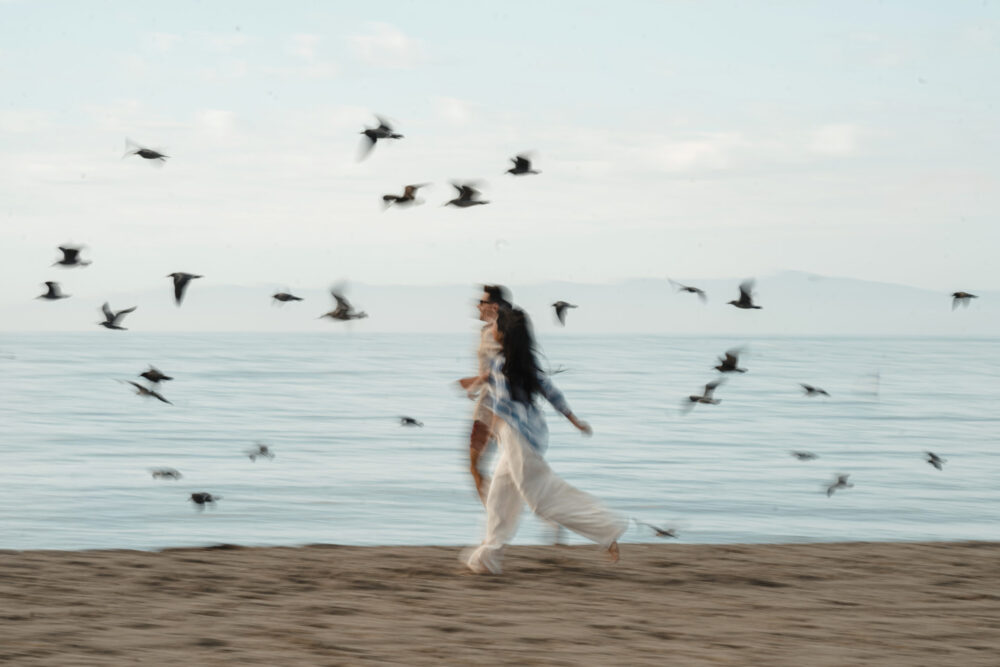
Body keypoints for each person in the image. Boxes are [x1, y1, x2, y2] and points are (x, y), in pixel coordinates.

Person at [463, 307, 627, 574]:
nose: (490, 328)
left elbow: (514, 399)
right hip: (522, 437)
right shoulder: (516, 363)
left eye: (494, 325)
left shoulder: (506, 364)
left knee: (540, 499)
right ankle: (487, 559)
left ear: (502, 333)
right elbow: (548, 392)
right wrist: (574, 420)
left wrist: (491, 427)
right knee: (499, 498)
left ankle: (607, 527)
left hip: (518, 438)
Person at [458, 285, 510, 503]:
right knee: (506, 468)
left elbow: (501, 367)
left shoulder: (496, 332)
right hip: (494, 405)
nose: (477, 305)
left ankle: (495, 521)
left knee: (475, 465)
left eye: (482, 302)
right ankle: (496, 520)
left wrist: (476, 382)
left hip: (492, 408)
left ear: (493, 306)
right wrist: (476, 381)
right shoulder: (487, 331)